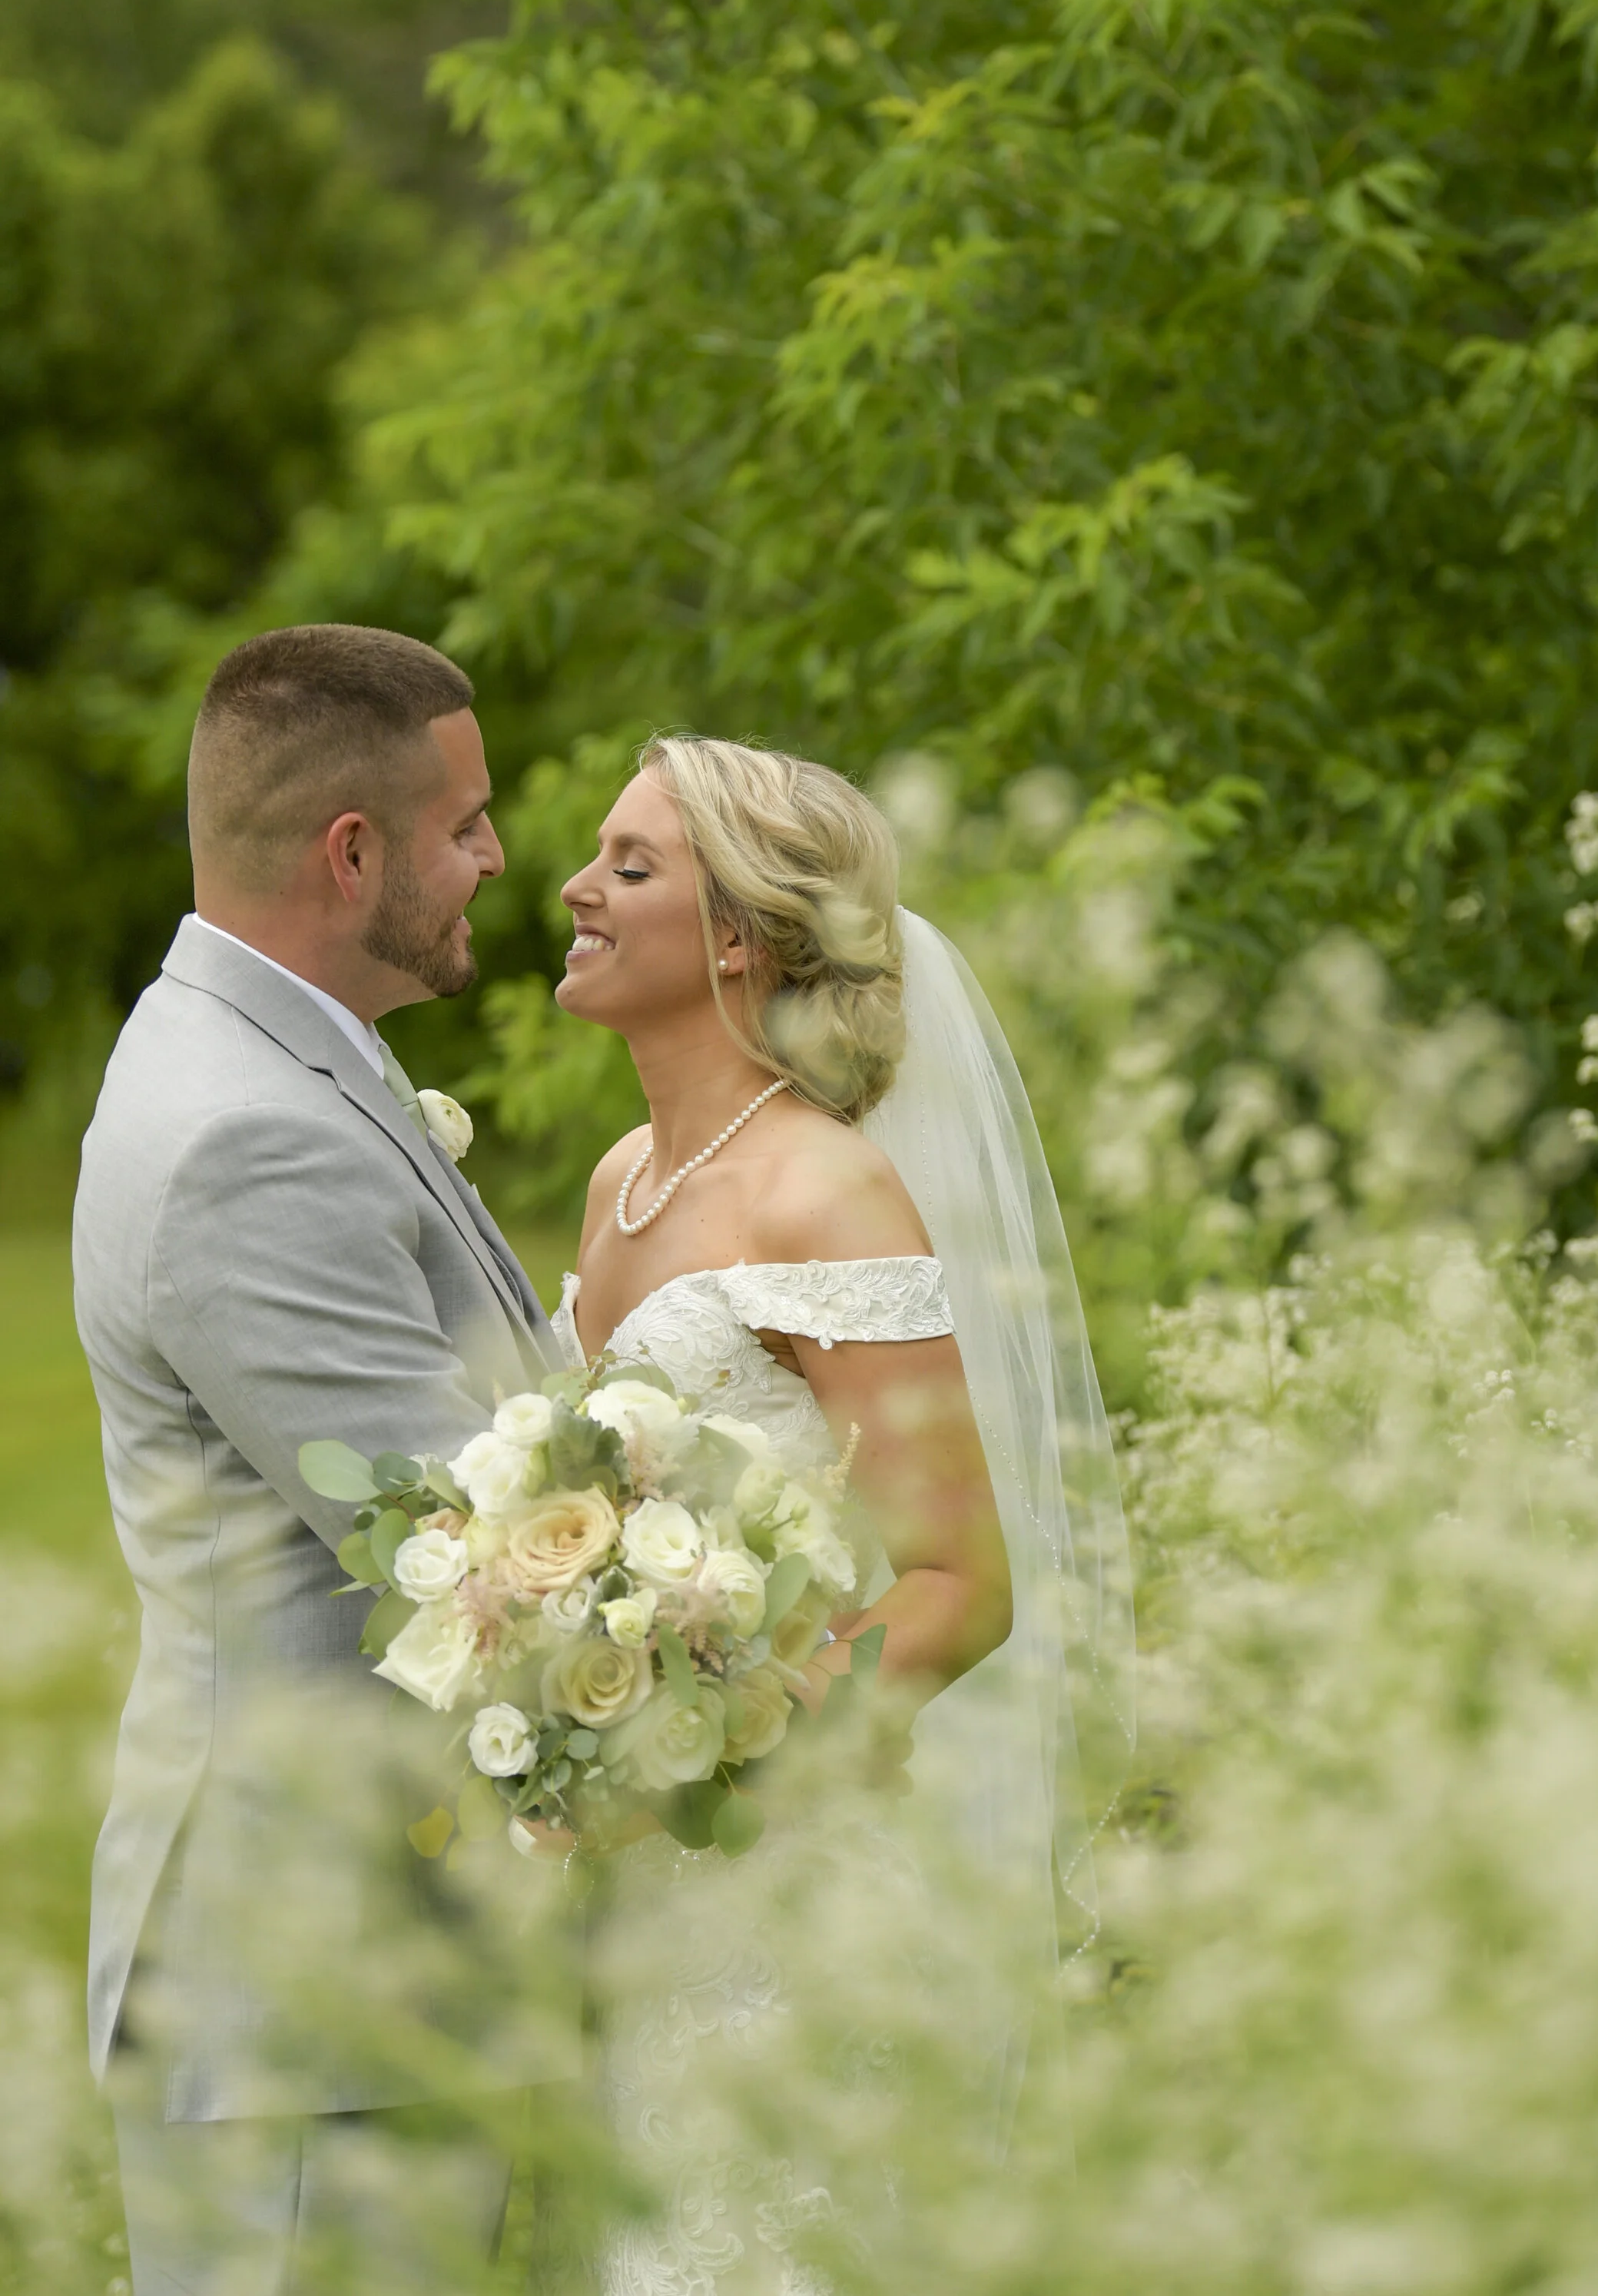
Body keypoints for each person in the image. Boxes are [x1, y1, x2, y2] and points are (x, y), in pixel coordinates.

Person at [551, 733, 1132, 2292]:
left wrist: (720, 1747)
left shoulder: (823, 1189)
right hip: (633, 1893)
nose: (572, 890)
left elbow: (959, 1575)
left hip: (783, 1874)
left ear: (737, 935)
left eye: (628, 866)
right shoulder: (619, 1182)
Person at [73, 624, 580, 2296]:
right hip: (308, 1967)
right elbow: (471, 1535)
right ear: (350, 853)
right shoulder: (243, 1133)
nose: (500, 858)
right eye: (467, 823)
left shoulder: (294, 1060)